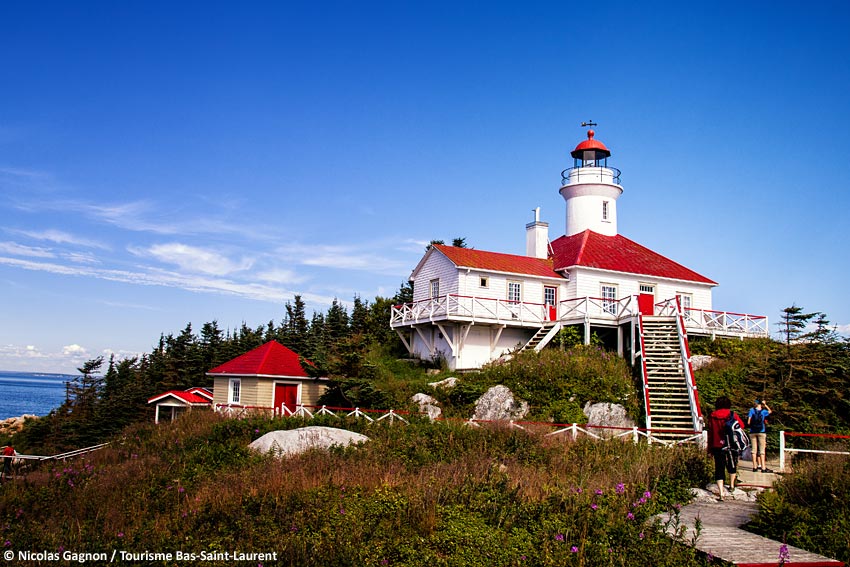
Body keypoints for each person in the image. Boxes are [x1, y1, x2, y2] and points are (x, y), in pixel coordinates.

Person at [706, 396, 745, 501]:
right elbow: (741, 426)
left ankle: (721, 493)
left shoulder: (712, 416)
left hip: (717, 444)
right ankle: (732, 485)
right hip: (731, 444)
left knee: (719, 467)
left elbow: (710, 433)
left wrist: (709, 449)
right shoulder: (732, 415)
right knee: (732, 464)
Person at [748, 399, 772, 473]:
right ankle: (763, 468)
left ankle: (754, 467)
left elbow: (748, 422)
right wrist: (765, 405)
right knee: (762, 450)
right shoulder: (763, 411)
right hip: (761, 431)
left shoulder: (751, 410)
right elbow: (770, 411)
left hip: (752, 432)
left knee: (753, 450)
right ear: (760, 404)